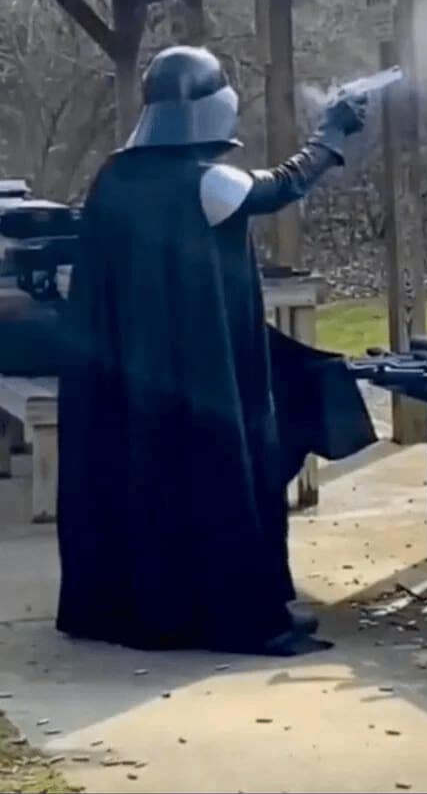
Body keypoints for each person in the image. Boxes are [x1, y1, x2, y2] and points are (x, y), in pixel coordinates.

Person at [57, 46, 376, 656]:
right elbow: (284, 183)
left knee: (148, 486)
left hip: (135, 376)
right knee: (223, 475)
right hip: (199, 376)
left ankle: (154, 607)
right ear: (208, 109)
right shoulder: (207, 179)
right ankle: (236, 613)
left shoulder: (114, 178)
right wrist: (331, 134)